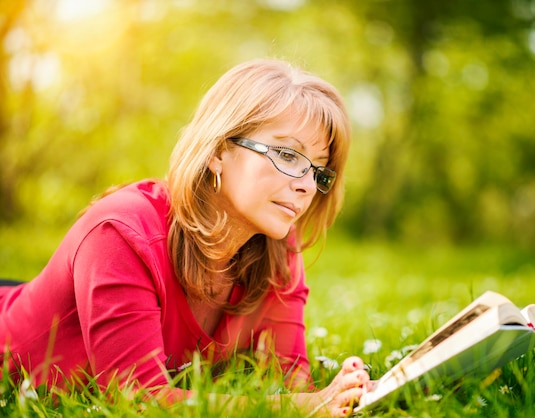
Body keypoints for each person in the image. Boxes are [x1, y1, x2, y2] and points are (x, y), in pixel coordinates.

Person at [0, 59, 370, 416]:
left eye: (319, 170)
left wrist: (349, 393)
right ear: (219, 151)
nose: (307, 186)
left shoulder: (277, 248)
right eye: (289, 155)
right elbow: (141, 402)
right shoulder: (120, 232)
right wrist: (305, 407)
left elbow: (293, 382)